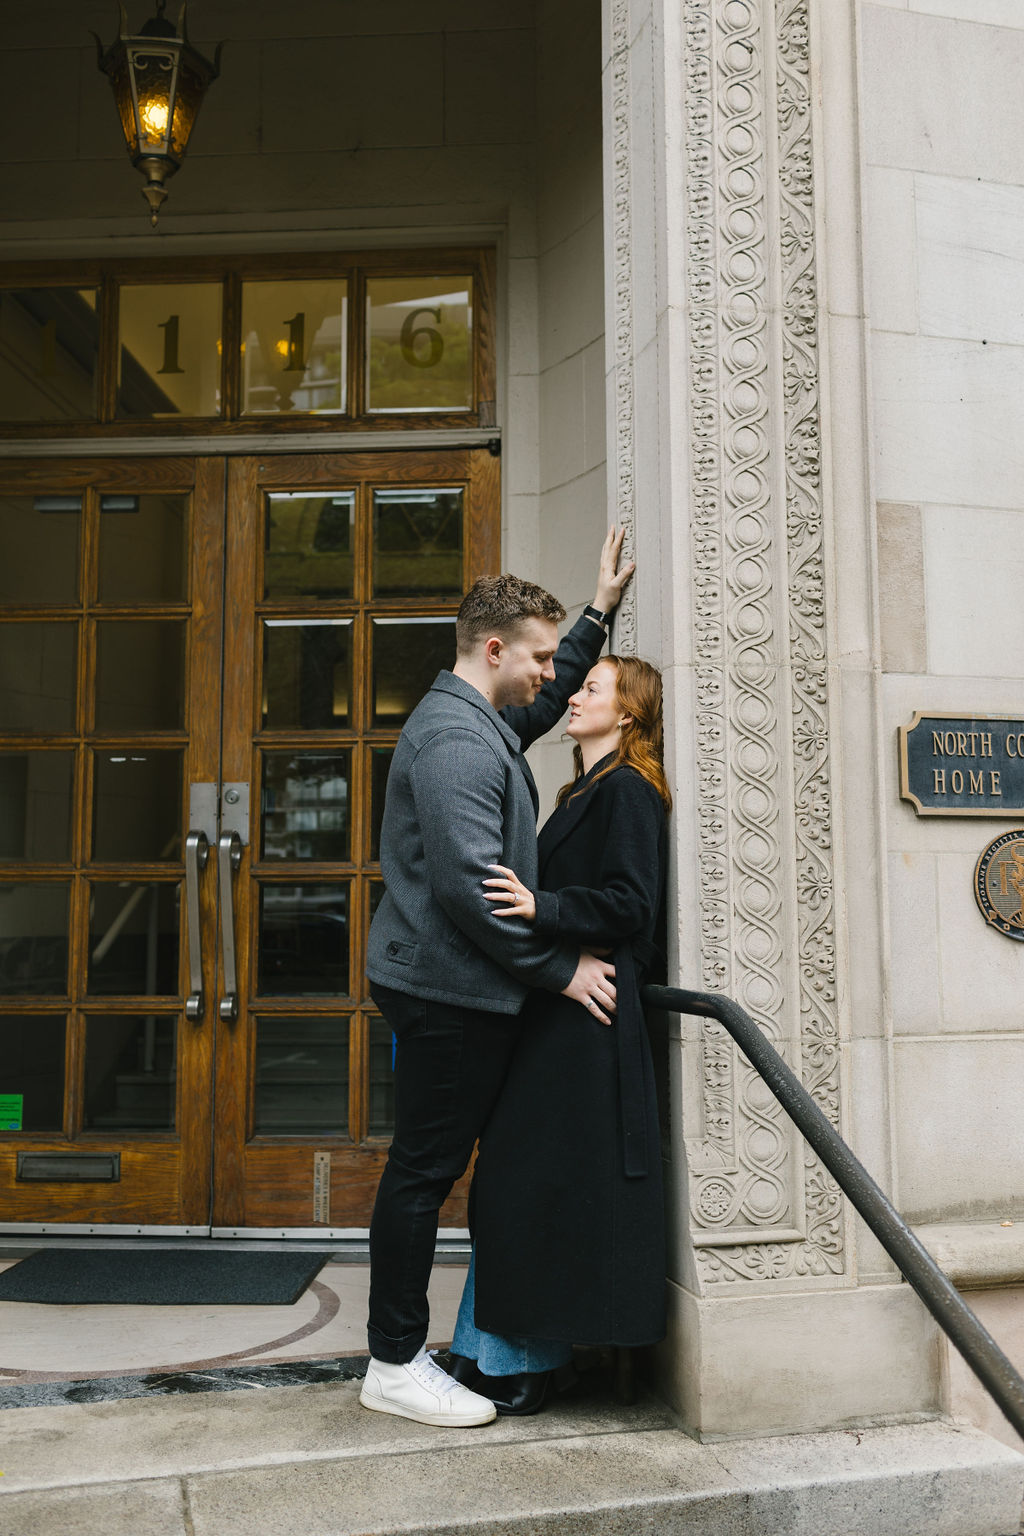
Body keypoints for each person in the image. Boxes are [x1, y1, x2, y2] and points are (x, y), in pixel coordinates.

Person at [359, 532, 634, 1429]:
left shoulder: (480, 719)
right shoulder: (454, 743)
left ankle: (404, 1355)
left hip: (456, 989)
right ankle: (394, 1364)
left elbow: (548, 702)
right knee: (420, 1175)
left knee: (427, 1170)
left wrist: (597, 613)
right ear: (491, 651)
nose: (552, 675)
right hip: (446, 994)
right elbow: (476, 898)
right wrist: (561, 970)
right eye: (541, 656)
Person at [445, 655, 671, 1415]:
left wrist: (541, 907)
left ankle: (524, 1365)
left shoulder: (631, 791)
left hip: (591, 1024)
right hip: (561, 1021)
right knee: (518, 1186)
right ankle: (492, 1352)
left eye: (592, 688)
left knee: (530, 1189)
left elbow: (631, 905)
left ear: (629, 712)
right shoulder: (585, 788)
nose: (573, 696)